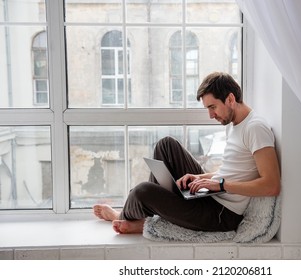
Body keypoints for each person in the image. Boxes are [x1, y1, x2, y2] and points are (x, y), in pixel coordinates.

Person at [93, 72, 281, 234]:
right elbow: (234, 172)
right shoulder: (233, 124)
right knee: (166, 145)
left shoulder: (255, 128)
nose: (211, 115)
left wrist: (221, 185)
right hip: (213, 196)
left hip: (222, 213)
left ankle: (124, 215)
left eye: (212, 107)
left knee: (143, 191)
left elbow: (271, 185)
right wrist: (200, 177)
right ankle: (153, 213)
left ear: (230, 99)